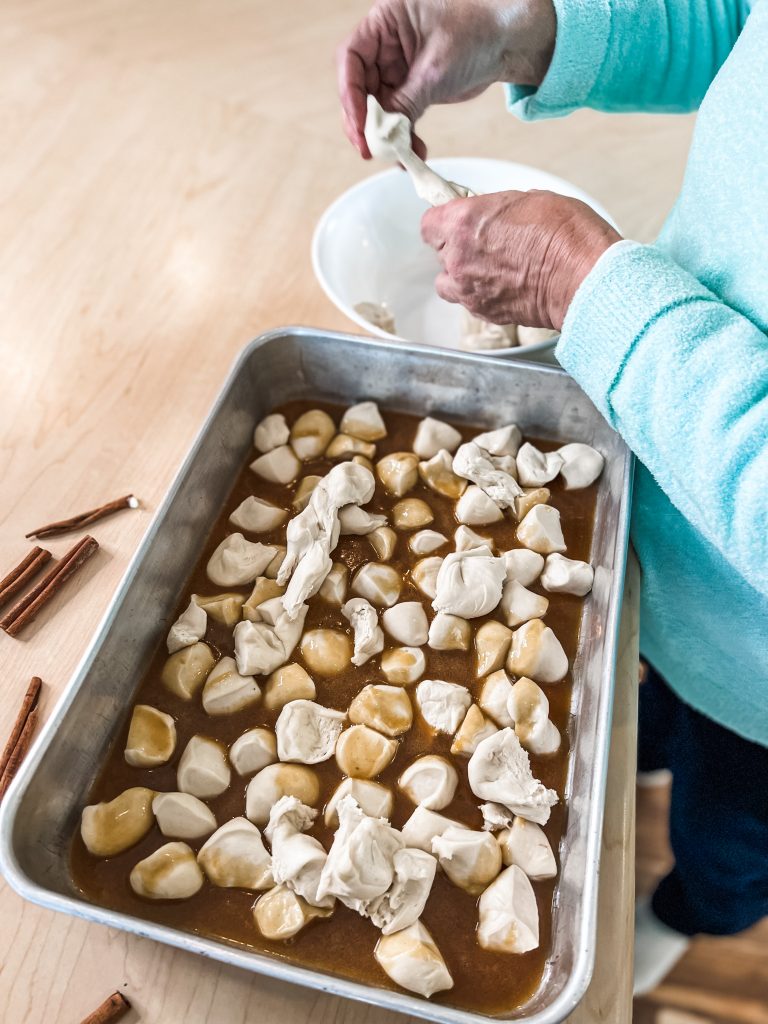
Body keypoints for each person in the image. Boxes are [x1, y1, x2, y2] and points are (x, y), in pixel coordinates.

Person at [337, 0, 768, 996]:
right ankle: (653, 749)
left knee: (731, 831)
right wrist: (528, 32)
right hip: (653, 490)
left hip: (759, 687)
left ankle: (694, 911)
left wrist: (583, 286)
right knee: (647, 714)